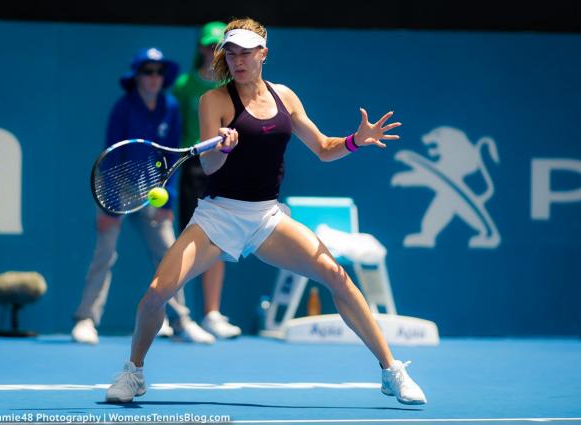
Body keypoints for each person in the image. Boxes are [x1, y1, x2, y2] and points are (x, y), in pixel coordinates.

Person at [105, 19, 427, 405]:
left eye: (246, 52)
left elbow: (324, 148)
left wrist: (356, 141)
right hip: (217, 217)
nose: (238, 61)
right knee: (157, 293)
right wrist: (220, 149)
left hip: (267, 218)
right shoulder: (214, 101)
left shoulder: (286, 98)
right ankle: (133, 372)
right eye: (232, 53)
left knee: (336, 275)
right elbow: (209, 169)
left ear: (263, 54)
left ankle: (392, 371)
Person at [72, 47, 215, 345]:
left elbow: (169, 156)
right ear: (137, 76)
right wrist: (107, 207)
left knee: (169, 253)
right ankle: (86, 319)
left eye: (158, 72)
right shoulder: (123, 108)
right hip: (120, 190)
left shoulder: (171, 107)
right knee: (105, 255)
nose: (153, 78)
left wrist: (169, 197)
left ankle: (181, 321)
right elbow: (110, 158)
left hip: (154, 190)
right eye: (147, 72)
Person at [173, 21, 241, 339]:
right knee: (188, 240)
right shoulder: (184, 85)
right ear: (199, 48)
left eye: (218, 46)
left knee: (219, 240)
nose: (211, 50)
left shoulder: (234, 84)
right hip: (192, 169)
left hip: (226, 166)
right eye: (207, 44)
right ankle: (176, 315)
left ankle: (211, 314)